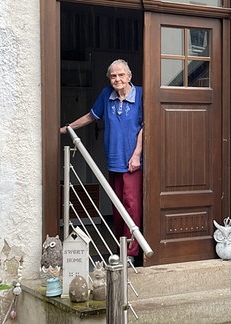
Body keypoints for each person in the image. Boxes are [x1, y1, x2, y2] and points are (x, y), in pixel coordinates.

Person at [60, 59, 143, 263]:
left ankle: (131, 252)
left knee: (131, 205)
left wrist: (137, 154)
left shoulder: (140, 94)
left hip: (132, 162)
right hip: (113, 159)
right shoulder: (107, 95)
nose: (117, 79)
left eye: (121, 75)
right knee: (117, 207)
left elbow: (145, 126)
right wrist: (67, 128)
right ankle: (120, 245)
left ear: (129, 76)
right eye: (113, 76)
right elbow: (91, 116)